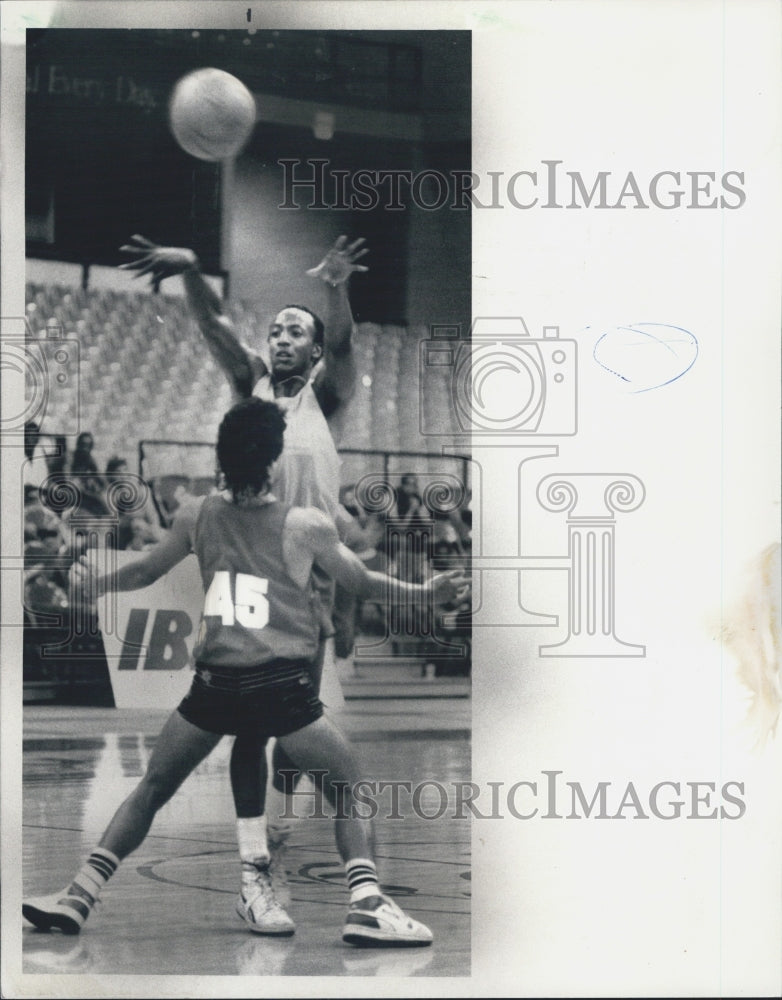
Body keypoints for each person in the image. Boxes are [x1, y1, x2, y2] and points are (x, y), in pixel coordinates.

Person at [22, 398, 468, 945]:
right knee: (351, 789)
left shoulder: (195, 513)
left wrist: (99, 584)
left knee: (153, 788)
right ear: (275, 460)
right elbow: (362, 583)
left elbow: (144, 569)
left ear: (222, 456)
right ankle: (367, 903)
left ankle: (78, 896)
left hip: (213, 685)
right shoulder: (304, 524)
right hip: (279, 686)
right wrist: (425, 591)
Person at [119, 231, 367, 914]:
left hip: (306, 576)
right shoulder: (248, 380)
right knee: (254, 728)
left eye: (297, 331)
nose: (283, 336)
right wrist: (193, 270)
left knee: (292, 726)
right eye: (277, 328)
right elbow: (212, 324)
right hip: (249, 572)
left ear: (314, 351)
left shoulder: (331, 396)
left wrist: (337, 287)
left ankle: (275, 835)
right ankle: (257, 860)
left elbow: (345, 346)